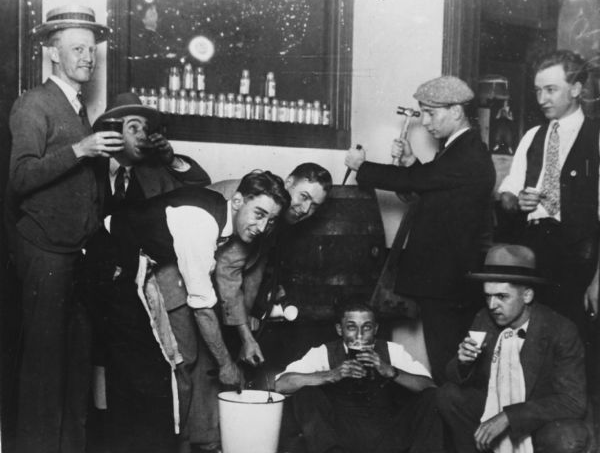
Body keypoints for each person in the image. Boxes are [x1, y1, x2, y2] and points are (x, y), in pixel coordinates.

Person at [7, 4, 120, 453]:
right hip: (45, 252)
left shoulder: (80, 110)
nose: (87, 58)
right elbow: (20, 178)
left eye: (90, 50)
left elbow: (87, 191)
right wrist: (80, 150)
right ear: (53, 54)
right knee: (45, 361)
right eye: (77, 49)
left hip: (77, 254)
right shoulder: (34, 104)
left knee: (76, 358)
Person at [108, 172, 290, 453]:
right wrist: (227, 365)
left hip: (137, 263)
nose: (262, 227)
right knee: (157, 362)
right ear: (238, 200)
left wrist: (244, 341)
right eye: (259, 214)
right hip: (104, 256)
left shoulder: (223, 221)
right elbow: (202, 308)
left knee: (168, 360)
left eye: (271, 220)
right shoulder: (201, 223)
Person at [82, 91, 211, 453]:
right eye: (132, 127)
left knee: (137, 367)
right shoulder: (91, 170)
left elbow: (199, 184)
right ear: (112, 132)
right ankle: (100, 443)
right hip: (91, 280)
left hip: (137, 288)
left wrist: (170, 155)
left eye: (145, 128)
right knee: (95, 362)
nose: (141, 135)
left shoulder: (154, 172)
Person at [344, 76, 496, 384]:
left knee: (451, 367)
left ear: (456, 111)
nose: (425, 122)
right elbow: (434, 188)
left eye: (431, 112)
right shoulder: (456, 150)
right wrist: (413, 163)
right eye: (422, 112)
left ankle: (458, 426)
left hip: (448, 282)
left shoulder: (468, 153)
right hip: (443, 281)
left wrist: (363, 168)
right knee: (448, 365)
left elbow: (421, 182)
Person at [437, 244, 589, 453]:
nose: (492, 305)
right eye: (488, 297)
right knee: (449, 395)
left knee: (569, 438)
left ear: (527, 294)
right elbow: (456, 377)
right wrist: (462, 362)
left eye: (502, 297)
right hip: (499, 408)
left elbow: (573, 401)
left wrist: (509, 415)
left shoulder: (561, 330)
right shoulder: (484, 319)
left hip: (540, 418)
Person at [275, 301, 446, 453]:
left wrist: (390, 371)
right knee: (306, 393)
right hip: (342, 445)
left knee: (432, 398)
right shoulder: (323, 352)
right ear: (340, 329)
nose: (359, 335)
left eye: (366, 327)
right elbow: (281, 384)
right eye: (351, 327)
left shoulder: (392, 351)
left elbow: (430, 387)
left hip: (388, 440)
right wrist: (330, 375)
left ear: (375, 329)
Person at [498, 50, 600, 337]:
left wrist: (598, 281)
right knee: (534, 342)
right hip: (533, 255)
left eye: (551, 90)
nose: (542, 99)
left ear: (577, 89)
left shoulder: (597, 137)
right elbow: (506, 193)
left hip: (579, 260)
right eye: (538, 90)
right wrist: (516, 201)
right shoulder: (532, 136)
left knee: (576, 344)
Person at [208, 163, 332, 367]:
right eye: (304, 197)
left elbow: (254, 270)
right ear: (289, 182)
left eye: (315, 205)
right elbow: (229, 275)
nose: (306, 210)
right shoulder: (260, 205)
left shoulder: (272, 218)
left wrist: (247, 321)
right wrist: (246, 336)